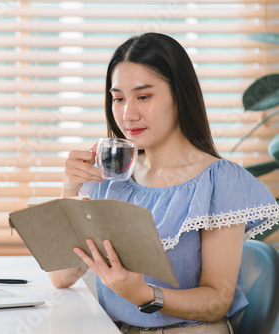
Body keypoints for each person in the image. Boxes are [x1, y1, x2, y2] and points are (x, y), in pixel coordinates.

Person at [50, 32, 279, 333]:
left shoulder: (218, 180)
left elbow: (218, 301)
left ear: (180, 97)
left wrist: (146, 296)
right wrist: (70, 189)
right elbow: (62, 277)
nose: (128, 114)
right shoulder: (112, 176)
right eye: (118, 98)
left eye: (144, 96)